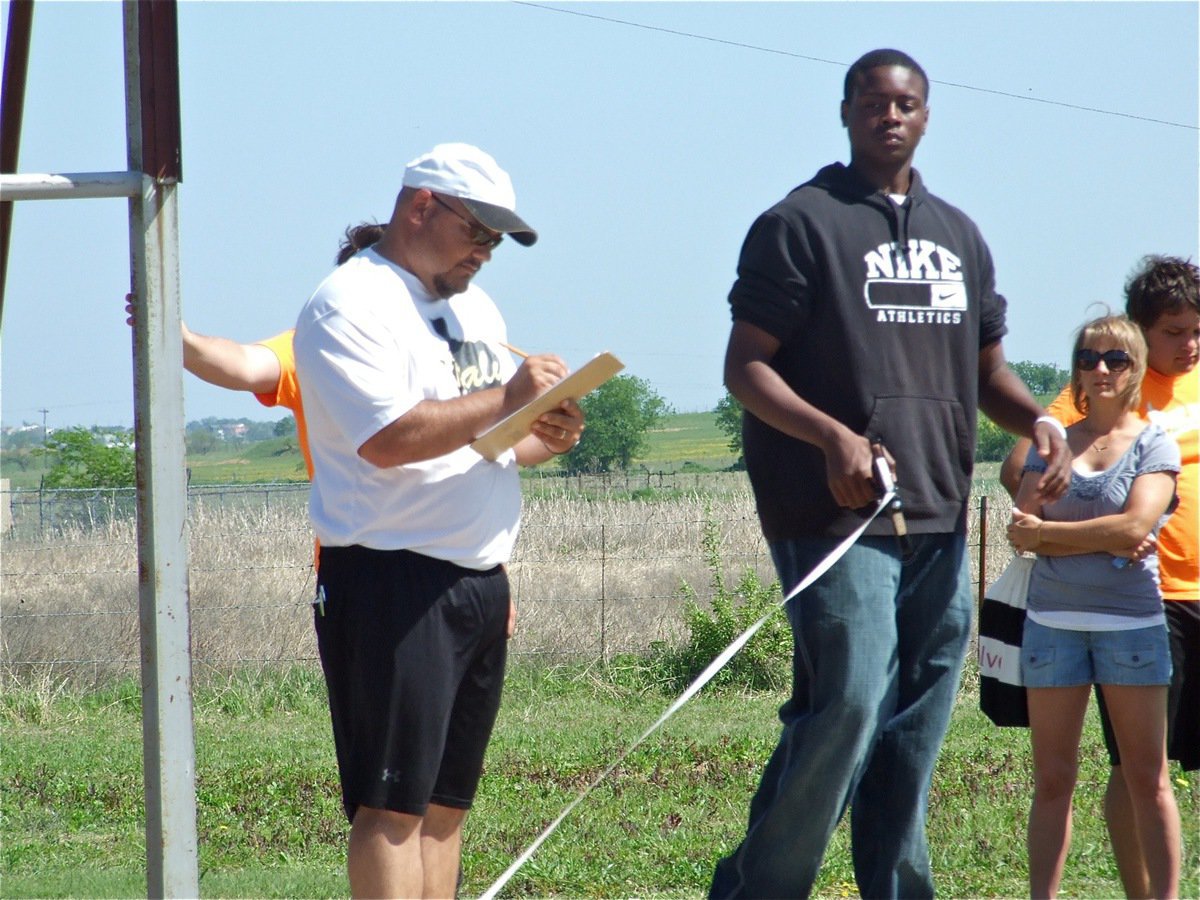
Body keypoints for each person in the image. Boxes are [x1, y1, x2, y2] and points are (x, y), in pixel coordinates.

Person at [707, 48, 1071, 899]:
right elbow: (744, 367)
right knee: (850, 704)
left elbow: (988, 377)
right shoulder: (799, 223)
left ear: (927, 115)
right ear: (846, 112)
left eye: (907, 103)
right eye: (874, 102)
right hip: (834, 520)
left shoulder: (959, 236)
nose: (891, 116)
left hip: (941, 516)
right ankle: (760, 889)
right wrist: (832, 436)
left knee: (915, 727)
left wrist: (1044, 420)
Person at [292, 143, 584, 899]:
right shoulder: (347, 304)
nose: (486, 253)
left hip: (475, 581)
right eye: (479, 231)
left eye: (498, 241)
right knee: (390, 807)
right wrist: (510, 397)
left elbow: (489, 443)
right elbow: (388, 439)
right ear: (422, 206)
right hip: (392, 582)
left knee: (445, 809)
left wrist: (541, 436)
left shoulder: (474, 308)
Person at [1001, 256, 1198, 899]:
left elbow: (1126, 527)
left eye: (1199, 329)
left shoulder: (1154, 437)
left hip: (1145, 604)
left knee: (1155, 774)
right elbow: (1022, 488)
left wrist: (1051, 537)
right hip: (1140, 603)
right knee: (1125, 769)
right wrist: (1054, 526)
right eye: (1091, 359)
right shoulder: (1069, 416)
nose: (1103, 369)